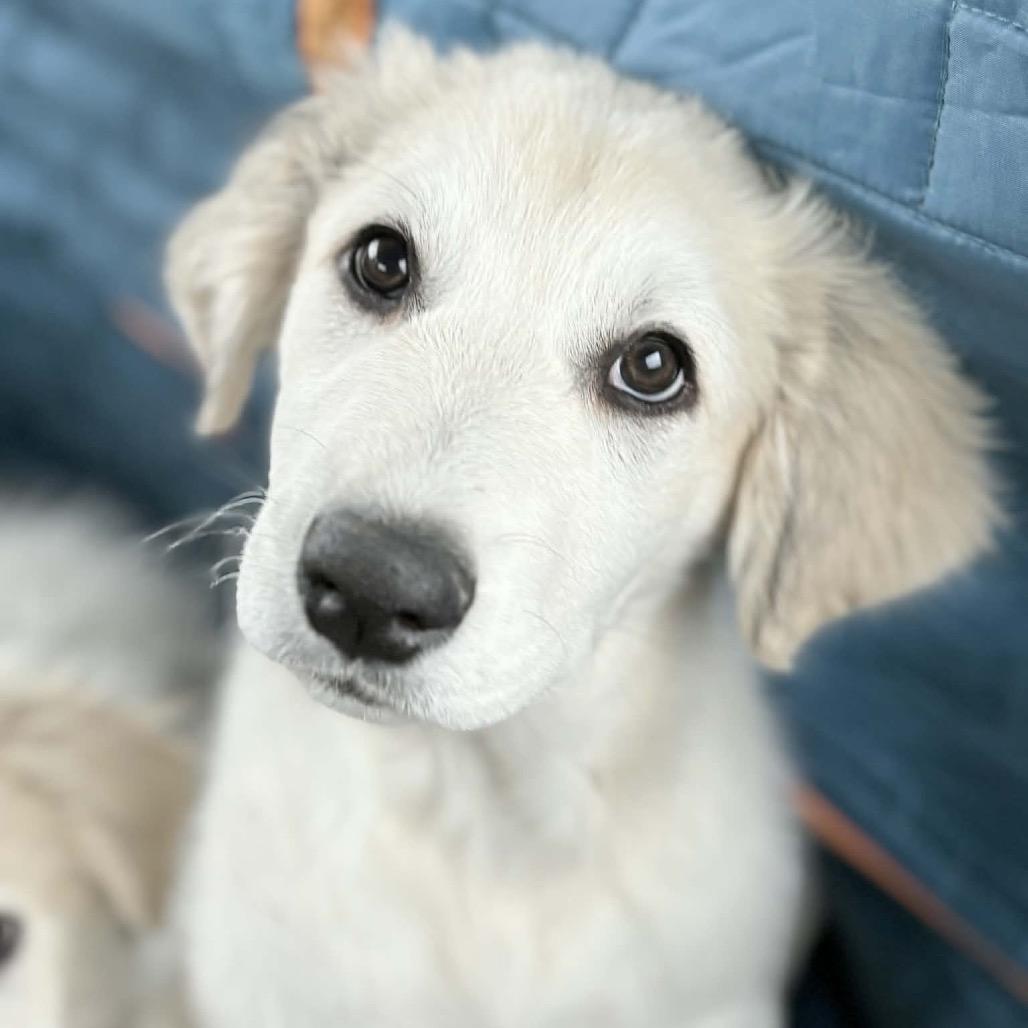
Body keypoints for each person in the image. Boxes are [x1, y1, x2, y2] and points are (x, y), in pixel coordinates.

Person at [1, 1, 1025, 1023]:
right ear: (269, 266)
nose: (383, 560)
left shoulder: (720, 904)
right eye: (382, 267)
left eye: (647, 371)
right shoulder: (243, 872)